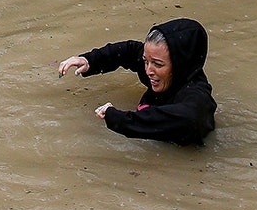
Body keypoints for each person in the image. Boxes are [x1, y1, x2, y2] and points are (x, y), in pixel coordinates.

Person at [57, 18, 216, 145]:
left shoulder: (196, 98)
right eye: (146, 61)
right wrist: (88, 60)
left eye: (158, 65)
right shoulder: (157, 69)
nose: (148, 71)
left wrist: (118, 118)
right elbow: (128, 51)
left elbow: (187, 119)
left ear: (181, 65)